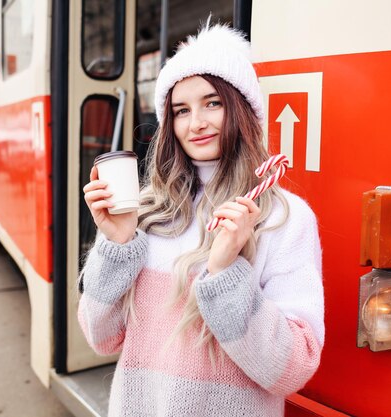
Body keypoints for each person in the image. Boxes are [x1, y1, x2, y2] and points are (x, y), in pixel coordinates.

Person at [78, 22, 324, 417]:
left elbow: (293, 369)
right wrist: (118, 245)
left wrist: (226, 273)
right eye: (181, 110)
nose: (196, 123)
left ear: (241, 109)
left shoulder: (284, 218)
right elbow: (101, 338)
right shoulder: (148, 213)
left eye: (213, 103)